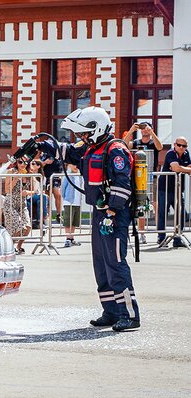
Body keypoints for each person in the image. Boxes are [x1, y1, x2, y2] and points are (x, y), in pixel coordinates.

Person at [34, 105, 139, 331]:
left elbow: (122, 185)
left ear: (96, 128)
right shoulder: (92, 147)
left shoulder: (115, 150)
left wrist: (111, 211)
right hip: (100, 213)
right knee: (101, 265)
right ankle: (111, 311)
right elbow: (67, 151)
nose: (81, 137)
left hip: (114, 214)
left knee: (116, 263)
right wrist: (40, 144)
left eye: (83, 133)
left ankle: (129, 315)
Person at [123, 121, 163, 243]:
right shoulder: (136, 143)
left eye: (146, 128)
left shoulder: (152, 142)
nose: (144, 130)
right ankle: (141, 233)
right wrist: (131, 131)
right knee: (140, 204)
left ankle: (159, 233)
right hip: (137, 177)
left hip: (151, 177)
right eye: (142, 128)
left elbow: (160, 147)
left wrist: (152, 133)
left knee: (155, 203)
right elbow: (124, 145)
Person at [156, 136, 191, 248]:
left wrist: (182, 168)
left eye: (184, 146)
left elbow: (187, 166)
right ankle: (161, 238)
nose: (181, 147)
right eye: (179, 145)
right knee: (163, 213)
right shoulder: (170, 153)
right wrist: (183, 169)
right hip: (164, 188)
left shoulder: (186, 154)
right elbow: (176, 168)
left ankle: (177, 238)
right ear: (175, 145)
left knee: (181, 213)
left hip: (178, 188)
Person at [3, 158, 31, 254]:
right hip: (10, 203)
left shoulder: (28, 173)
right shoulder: (11, 171)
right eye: (20, 162)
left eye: (25, 162)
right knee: (18, 226)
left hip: (22, 204)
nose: (22, 164)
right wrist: (16, 178)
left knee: (28, 226)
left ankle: (19, 246)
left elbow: (36, 190)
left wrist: (28, 192)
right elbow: (7, 190)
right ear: (16, 163)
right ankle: (10, 246)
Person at [61, 163, 83, 247]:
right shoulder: (68, 176)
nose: (75, 166)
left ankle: (71, 237)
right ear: (69, 165)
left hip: (77, 202)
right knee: (68, 221)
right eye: (73, 164)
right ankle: (67, 237)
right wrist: (66, 198)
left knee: (74, 221)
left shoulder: (80, 176)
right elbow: (63, 189)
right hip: (69, 201)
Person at [27, 160, 48, 228]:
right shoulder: (30, 175)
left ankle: (39, 221)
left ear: (38, 166)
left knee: (40, 201)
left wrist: (43, 194)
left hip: (38, 196)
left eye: (33, 164)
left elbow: (43, 189)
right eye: (31, 163)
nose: (32, 165)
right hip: (30, 196)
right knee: (43, 197)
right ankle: (44, 218)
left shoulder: (42, 177)